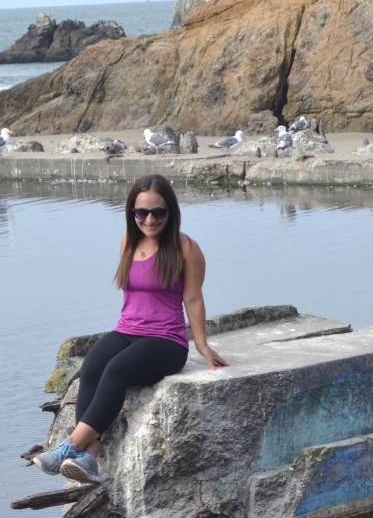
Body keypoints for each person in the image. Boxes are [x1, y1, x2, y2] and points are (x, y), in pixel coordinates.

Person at [34, 174, 228, 483]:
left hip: (167, 341)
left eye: (158, 213)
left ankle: (69, 447)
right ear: (132, 212)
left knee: (116, 369)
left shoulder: (186, 248)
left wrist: (202, 345)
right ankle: (90, 456)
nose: (149, 219)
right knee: (93, 367)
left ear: (171, 212)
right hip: (126, 330)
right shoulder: (128, 242)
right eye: (142, 212)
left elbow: (192, 297)